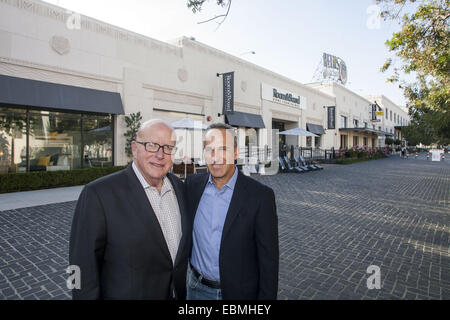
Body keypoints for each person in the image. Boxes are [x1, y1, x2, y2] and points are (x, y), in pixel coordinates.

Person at [69, 119, 190, 300]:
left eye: (168, 148)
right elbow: (80, 265)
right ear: (135, 148)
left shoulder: (179, 188)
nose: (160, 154)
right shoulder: (98, 194)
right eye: (151, 145)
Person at [185, 123, 279, 300]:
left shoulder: (260, 197)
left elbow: (269, 262)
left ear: (236, 152)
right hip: (196, 290)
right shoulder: (191, 186)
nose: (215, 157)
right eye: (209, 149)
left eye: (223, 149)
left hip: (238, 294)